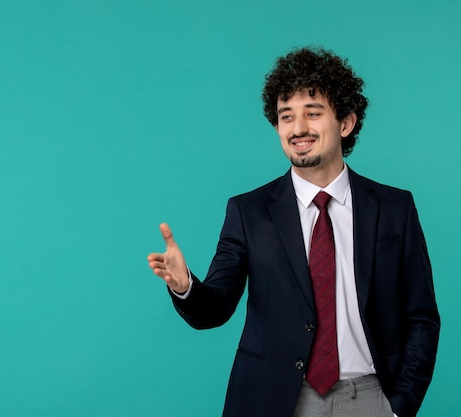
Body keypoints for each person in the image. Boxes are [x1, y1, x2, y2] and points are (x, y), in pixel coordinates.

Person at [147, 47, 440, 417]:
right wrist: (184, 285)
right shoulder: (248, 211)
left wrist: (399, 407)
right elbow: (216, 308)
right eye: (287, 117)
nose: (298, 128)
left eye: (313, 114)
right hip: (271, 397)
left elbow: (421, 318)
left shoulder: (395, 208)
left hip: (368, 398)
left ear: (345, 123)